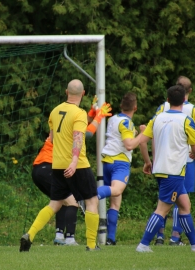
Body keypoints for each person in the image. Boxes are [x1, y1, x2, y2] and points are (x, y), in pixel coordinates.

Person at [20, 79, 105, 252]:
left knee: (55, 204)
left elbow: (51, 138)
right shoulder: (79, 113)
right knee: (92, 200)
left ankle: (30, 234)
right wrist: (74, 161)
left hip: (57, 165)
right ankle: (91, 245)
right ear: (83, 94)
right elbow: (78, 138)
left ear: (67, 92)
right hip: (77, 164)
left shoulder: (55, 111)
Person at [136, 84, 195, 252]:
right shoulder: (187, 120)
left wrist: (148, 161)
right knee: (162, 209)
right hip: (173, 171)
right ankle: (143, 244)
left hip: (160, 168)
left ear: (167, 100)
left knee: (185, 205)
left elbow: (144, 140)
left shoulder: (157, 118)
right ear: (185, 100)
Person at [32, 96, 111, 246]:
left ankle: (57, 235)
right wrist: (98, 117)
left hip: (42, 166)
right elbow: (84, 134)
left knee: (59, 201)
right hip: (54, 164)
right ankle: (70, 238)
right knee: (73, 202)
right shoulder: (73, 118)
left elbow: (77, 127)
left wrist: (91, 114)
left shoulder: (58, 112)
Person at [154, 76, 195, 246]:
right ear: (189, 91)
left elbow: (154, 133)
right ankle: (175, 237)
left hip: (163, 161)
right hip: (185, 161)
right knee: (180, 201)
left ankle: (160, 236)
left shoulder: (162, 108)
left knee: (166, 199)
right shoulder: (193, 111)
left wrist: (154, 159)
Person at [96, 92, 143, 245]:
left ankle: (111, 239)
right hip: (120, 162)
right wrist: (143, 135)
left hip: (107, 162)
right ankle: (90, 195)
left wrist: (136, 132)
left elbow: (123, 133)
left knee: (115, 203)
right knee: (117, 191)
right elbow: (129, 144)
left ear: (121, 105)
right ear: (135, 107)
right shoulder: (127, 123)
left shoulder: (113, 119)